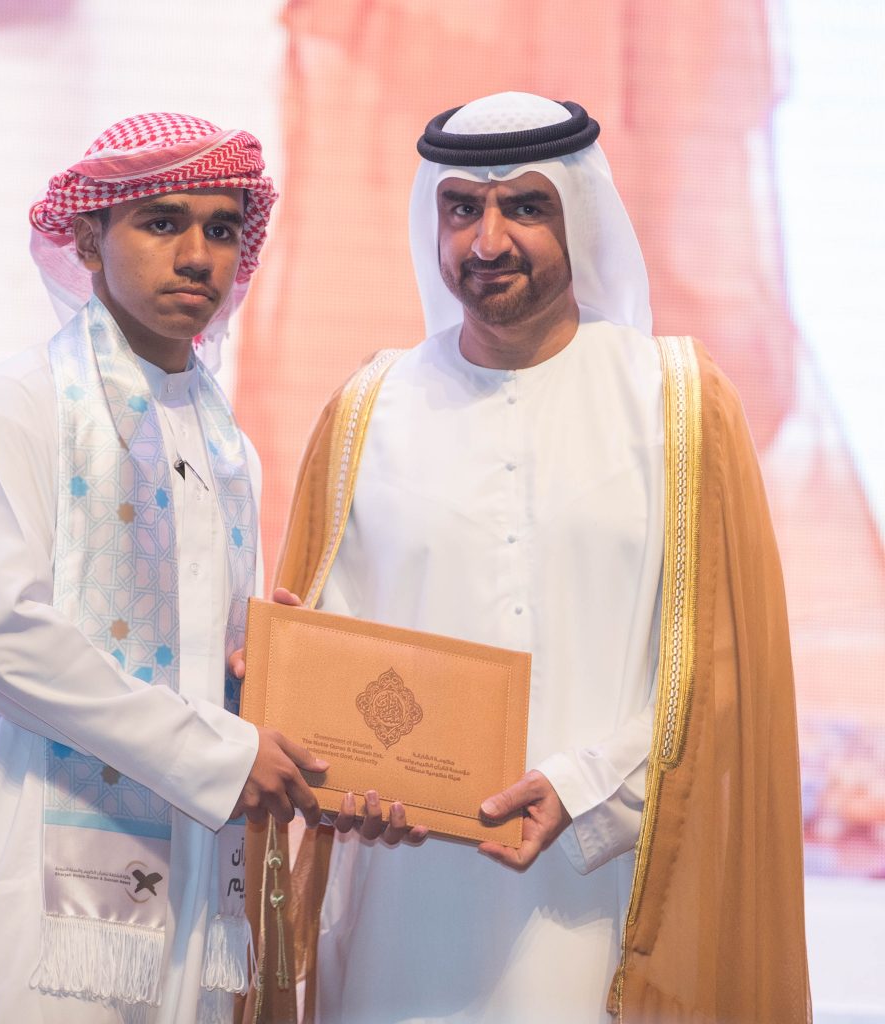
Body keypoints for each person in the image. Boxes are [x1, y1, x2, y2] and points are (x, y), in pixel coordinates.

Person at [252, 93, 810, 1023]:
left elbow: (722, 668)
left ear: (578, 215)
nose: (488, 241)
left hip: (602, 889)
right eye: (461, 208)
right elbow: (331, 641)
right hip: (403, 898)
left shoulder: (674, 402)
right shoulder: (369, 407)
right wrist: (317, 735)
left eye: (525, 207)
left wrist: (583, 788)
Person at [0, 112, 327, 1024]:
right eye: (162, 222)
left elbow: (208, 667)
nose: (198, 257)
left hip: (191, 896)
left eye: (222, 229)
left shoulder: (227, 448)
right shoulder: (17, 406)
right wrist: (217, 753)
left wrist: (278, 669)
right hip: (32, 900)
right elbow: (2, 642)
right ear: (91, 239)